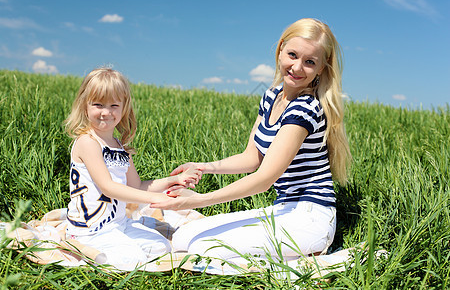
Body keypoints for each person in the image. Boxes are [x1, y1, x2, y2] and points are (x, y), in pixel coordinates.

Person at [152, 18, 352, 262]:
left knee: (200, 248)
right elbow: (251, 158)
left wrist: (200, 200)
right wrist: (203, 167)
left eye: (309, 62)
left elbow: (264, 179)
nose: (297, 67)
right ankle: (291, 254)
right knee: (184, 237)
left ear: (321, 68)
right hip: (283, 209)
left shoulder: (305, 108)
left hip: (310, 218)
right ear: (280, 50)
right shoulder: (271, 96)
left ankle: (314, 255)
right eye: (292, 55)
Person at [64, 67, 201, 269]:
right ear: (85, 106)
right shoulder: (88, 142)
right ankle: (82, 247)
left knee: (161, 247)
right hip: (90, 229)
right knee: (133, 260)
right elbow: (108, 187)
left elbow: (136, 187)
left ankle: (111, 251)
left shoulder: (119, 147)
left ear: (123, 108)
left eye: (114, 105)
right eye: (98, 104)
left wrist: (172, 181)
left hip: (118, 224)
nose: (106, 112)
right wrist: (157, 198)